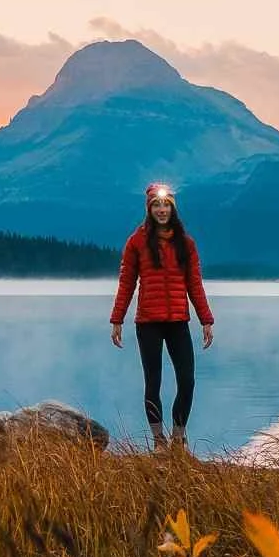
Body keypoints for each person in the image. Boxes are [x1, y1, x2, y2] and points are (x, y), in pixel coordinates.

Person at [109, 182, 214, 450]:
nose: (161, 209)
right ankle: (158, 441)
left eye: (166, 204)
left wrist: (206, 320)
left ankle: (178, 437)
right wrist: (117, 319)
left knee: (187, 380)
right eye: (156, 204)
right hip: (148, 323)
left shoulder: (186, 243)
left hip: (179, 321)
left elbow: (195, 284)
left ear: (173, 208)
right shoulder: (137, 242)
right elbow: (126, 283)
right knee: (153, 382)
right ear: (149, 209)